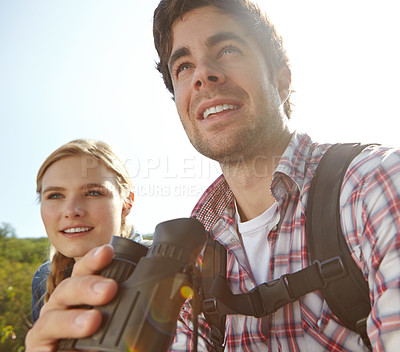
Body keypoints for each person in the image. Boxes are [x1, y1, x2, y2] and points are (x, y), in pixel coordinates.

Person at [25, 1, 400, 351]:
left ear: (282, 80)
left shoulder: (374, 187)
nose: (202, 74)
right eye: (183, 67)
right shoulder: (195, 245)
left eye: (227, 49)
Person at [30, 139, 138, 323]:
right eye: (55, 195)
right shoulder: (43, 279)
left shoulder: (169, 269)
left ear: (126, 203)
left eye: (93, 193)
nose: (71, 211)